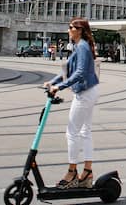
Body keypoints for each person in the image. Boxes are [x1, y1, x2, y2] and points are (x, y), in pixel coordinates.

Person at [44, 17, 100, 189]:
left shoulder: (82, 46)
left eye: (71, 27)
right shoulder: (79, 46)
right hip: (89, 91)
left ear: (79, 30)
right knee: (85, 132)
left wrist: (58, 88)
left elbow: (81, 72)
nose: (68, 30)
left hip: (84, 93)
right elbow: (68, 70)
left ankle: (72, 172)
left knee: (71, 132)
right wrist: (52, 82)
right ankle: (87, 173)